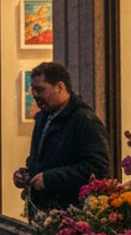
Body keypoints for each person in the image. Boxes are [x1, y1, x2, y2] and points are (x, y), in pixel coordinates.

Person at [13, 62, 110, 213]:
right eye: (33, 90)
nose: (35, 96)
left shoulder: (84, 120)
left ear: (60, 86)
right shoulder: (43, 118)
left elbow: (98, 167)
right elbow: (43, 158)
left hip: (68, 213)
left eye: (40, 90)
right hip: (44, 211)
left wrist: (50, 178)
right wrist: (27, 173)